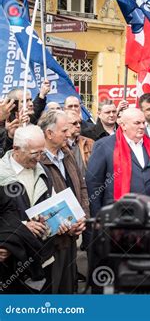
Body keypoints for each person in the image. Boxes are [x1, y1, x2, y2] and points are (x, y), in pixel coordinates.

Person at [38, 111, 89, 294]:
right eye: (64, 130)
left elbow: (82, 187)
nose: (69, 134)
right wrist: (64, 224)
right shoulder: (37, 160)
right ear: (49, 133)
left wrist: (83, 217)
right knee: (52, 289)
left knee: (68, 287)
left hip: (72, 236)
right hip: (50, 242)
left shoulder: (67, 154)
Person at [0, 125, 55, 293]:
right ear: (16, 149)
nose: (39, 158)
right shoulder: (2, 175)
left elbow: (53, 205)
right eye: (34, 153)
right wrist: (21, 228)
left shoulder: (43, 171)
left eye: (42, 152)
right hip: (9, 264)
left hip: (42, 260)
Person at [86, 108, 150, 217]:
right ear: (123, 125)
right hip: (116, 216)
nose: (142, 126)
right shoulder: (103, 146)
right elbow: (94, 184)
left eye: (143, 122)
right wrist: (97, 218)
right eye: (137, 123)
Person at [65, 111, 94, 177]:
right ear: (64, 124)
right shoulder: (58, 145)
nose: (78, 126)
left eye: (79, 123)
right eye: (74, 123)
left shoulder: (89, 143)